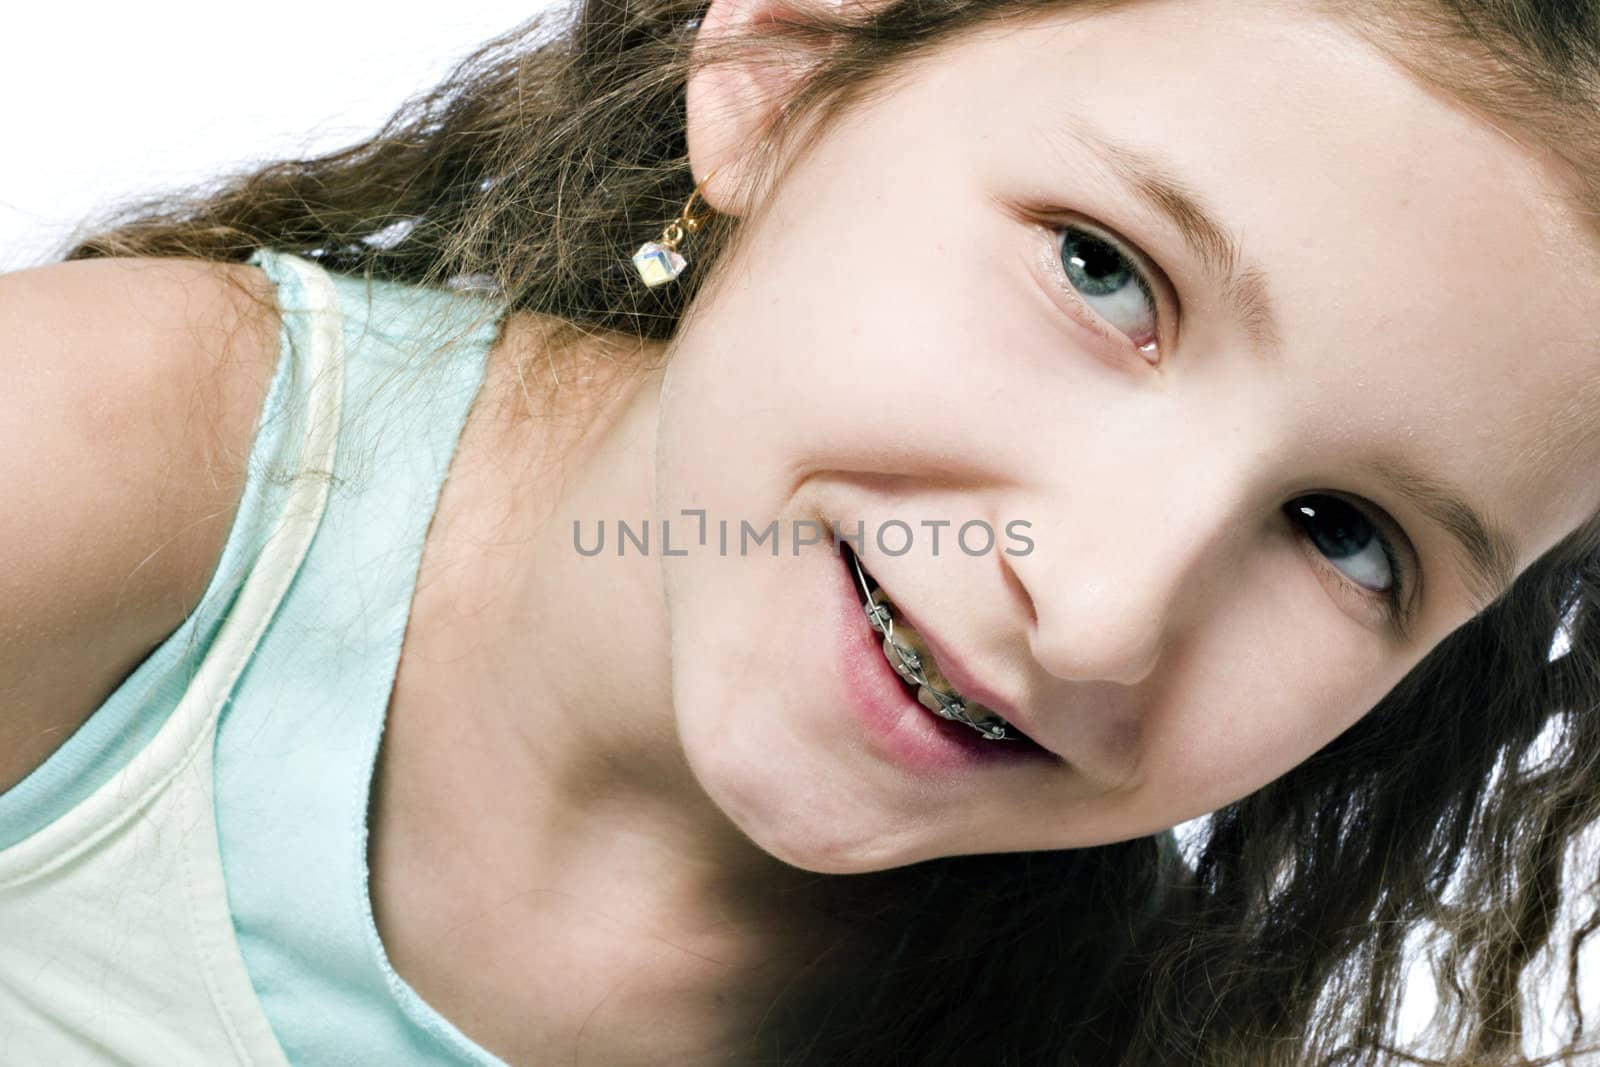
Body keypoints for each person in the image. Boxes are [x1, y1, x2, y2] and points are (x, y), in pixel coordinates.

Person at [4, 0, 1600, 1062]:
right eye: (1104, 274)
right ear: (784, 71)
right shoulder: (105, 457)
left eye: (1345, 534)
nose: (1102, 616)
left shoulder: (1094, 1024)